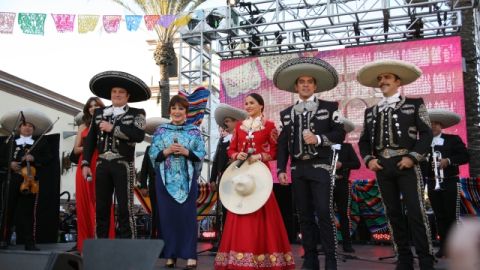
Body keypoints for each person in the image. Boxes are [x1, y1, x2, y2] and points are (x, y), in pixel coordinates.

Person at [357, 59, 435, 270]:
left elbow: (426, 134)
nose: (382, 81)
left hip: (407, 163)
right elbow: (364, 141)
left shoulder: (414, 104)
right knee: (392, 214)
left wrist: (413, 157)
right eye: (380, 78)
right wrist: (369, 160)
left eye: (387, 77)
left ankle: (426, 260)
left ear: (398, 81)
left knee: (416, 212)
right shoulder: (371, 112)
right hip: (383, 166)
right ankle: (404, 258)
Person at [275, 57, 345, 270]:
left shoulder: (331, 107)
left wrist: (319, 139)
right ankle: (310, 259)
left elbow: (340, 133)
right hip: (297, 169)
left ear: (315, 86)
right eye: (301, 82)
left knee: (324, 212)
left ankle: (331, 259)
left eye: (309, 81)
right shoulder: (286, 114)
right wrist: (280, 169)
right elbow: (282, 145)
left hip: (321, 167)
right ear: (295, 87)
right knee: (304, 215)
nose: (305, 85)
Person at [214, 93, 295, 270]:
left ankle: (264, 257)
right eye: (246, 103)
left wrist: (258, 156)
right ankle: (239, 256)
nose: (248, 106)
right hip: (242, 176)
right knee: (240, 209)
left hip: (260, 176)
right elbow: (231, 150)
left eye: (252, 103)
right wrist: (237, 155)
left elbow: (275, 152)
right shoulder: (240, 128)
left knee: (263, 213)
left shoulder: (270, 126)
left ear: (261, 106)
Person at [82, 71, 150, 239]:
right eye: (114, 92)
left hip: (123, 165)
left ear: (128, 96)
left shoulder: (137, 113)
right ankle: (101, 245)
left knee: (125, 207)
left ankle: (129, 246)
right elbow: (90, 140)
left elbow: (138, 136)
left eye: (121, 92)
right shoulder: (99, 113)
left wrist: (113, 129)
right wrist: (85, 163)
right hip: (102, 164)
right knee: (102, 207)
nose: (117, 95)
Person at [148, 95, 206, 269]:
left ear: (186, 112)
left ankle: (190, 255)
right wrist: (166, 151)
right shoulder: (161, 131)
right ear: (169, 111)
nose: (177, 112)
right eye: (174, 108)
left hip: (187, 181)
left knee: (187, 217)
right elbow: (153, 155)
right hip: (165, 181)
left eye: (181, 108)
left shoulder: (194, 131)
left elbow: (201, 154)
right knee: (167, 218)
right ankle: (170, 255)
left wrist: (186, 152)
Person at [0, 109, 54, 251]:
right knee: (7, 210)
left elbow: (49, 158)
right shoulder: (10, 142)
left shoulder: (40, 143)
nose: (28, 127)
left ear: (33, 129)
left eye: (31, 126)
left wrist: (34, 158)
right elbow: (1, 159)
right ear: (19, 127)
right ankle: (3, 239)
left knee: (27, 213)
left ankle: (29, 242)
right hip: (12, 179)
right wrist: (9, 164)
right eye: (25, 125)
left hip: (29, 181)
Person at [72, 97, 116, 253]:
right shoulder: (83, 126)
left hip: (101, 163)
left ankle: (105, 242)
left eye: (96, 105)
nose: (93, 108)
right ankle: (85, 244)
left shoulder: (106, 123)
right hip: (84, 165)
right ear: (87, 109)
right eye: (90, 106)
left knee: (102, 201)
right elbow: (76, 149)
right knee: (84, 203)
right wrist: (89, 147)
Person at [424, 109, 469, 258]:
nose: (434, 126)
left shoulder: (453, 139)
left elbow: (465, 156)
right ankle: (443, 247)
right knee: (439, 216)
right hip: (432, 182)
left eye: (436, 124)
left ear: (441, 126)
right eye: (431, 124)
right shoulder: (423, 143)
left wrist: (448, 160)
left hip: (450, 182)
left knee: (451, 216)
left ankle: (455, 247)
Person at [210, 103, 247, 239]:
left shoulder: (244, 139)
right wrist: (213, 179)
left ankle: (239, 238)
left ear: (236, 122)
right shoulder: (223, 140)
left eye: (228, 121)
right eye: (224, 122)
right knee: (224, 210)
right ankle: (225, 239)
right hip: (224, 179)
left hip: (239, 179)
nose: (226, 124)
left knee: (239, 208)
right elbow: (216, 160)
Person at [138, 117, 170, 239]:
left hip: (168, 184)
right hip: (153, 183)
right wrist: (143, 186)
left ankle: (166, 236)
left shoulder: (171, 148)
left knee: (166, 210)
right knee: (155, 211)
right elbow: (144, 168)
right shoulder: (148, 149)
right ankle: (154, 235)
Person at [332, 118, 360, 253]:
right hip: (326, 184)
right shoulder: (323, 147)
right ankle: (327, 243)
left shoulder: (347, 147)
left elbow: (357, 164)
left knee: (343, 213)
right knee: (325, 214)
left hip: (341, 182)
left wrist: (343, 165)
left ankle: (347, 244)